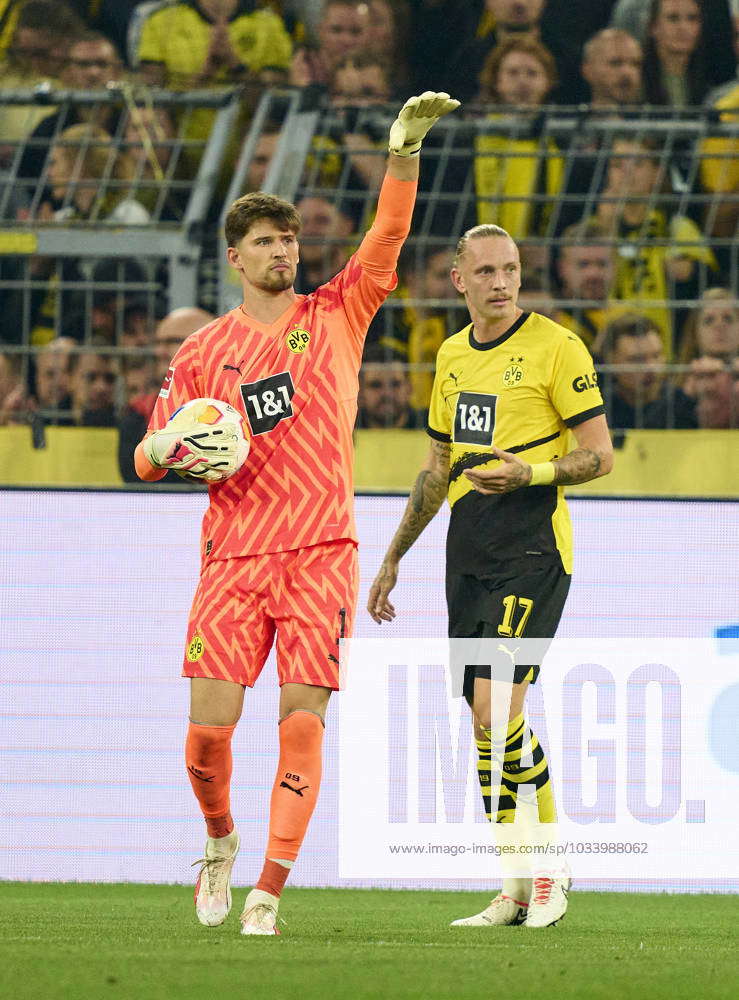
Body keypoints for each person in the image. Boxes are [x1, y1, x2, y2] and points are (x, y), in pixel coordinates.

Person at [133, 92, 459, 935]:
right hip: (233, 557)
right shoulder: (203, 352)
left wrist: (401, 155)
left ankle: (269, 893)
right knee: (209, 738)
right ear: (234, 257)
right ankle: (219, 842)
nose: (284, 251)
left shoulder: (336, 314)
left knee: (302, 724)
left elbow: (385, 239)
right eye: (267, 242)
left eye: (291, 240)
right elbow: (145, 454)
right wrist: (174, 450)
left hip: (320, 551)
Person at [367, 221, 613, 929]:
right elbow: (436, 469)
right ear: (458, 280)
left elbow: (598, 455)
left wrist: (529, 471)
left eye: (510, 268)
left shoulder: (556, 347)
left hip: (533, 544)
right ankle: (511, 885)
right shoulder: (449, 356)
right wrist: (391, 558)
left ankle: (548, 870)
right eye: (485, 272)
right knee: (483, 730)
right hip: (468, 547)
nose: (501, 282)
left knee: (493, 711)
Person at [585, 133, 718, 357]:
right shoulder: (590, 230)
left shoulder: (677, 228)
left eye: (637, 164)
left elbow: (711, 284)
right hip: (605, 351)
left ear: (657, 173)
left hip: (666, 352)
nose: (626, 173)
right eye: (617, 165)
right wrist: (605, 230)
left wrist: (691, 270)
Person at [474, 36, 562, 240]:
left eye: (532, 73)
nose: (522, 81)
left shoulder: (558, 145)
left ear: (547, 82)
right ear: (497, 81)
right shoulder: (475, 139)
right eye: (512, 73)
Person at [118, 306, 215, 483]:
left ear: (209, 345)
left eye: (171, 342)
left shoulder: (238, 405)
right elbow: (134, 479)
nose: (158, 352)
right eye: (158, 342)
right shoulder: (140, 412)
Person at [599, 312, 697, 429]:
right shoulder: (597, 410)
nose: (651, 367)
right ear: (611, 362)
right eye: (637, 359)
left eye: (656, 356)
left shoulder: (684, 406)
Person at [554, 220, 618, 355]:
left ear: (616, 266)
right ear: (562, 268)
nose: (593, 274)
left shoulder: (631, 315)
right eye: (583, 265)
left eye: (602, 264)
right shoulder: (549, 319)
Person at [289, 0, 370, 88]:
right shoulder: (303, 66)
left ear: (369, 34)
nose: (346, 40)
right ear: (320, 30)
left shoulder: (381, 72)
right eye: (336, 30)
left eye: (355, 32)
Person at [355, 342, 427, 428]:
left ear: (409, 388)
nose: (387, 393)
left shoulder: (433, 428)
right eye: (375, 385)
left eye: (395, 384)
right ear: (360, 391)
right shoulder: (346, 430)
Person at [294, 196, 355, 293]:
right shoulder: (281, 284)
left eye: (321, 221)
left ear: (345, 227)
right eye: (302, 222)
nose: (310, 230)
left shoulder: (363, 285)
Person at [580, 27, 644, 108]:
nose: (627, 72)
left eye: (635, 64)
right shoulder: (565, 119)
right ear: (587, 70)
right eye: (615, 63)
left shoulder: (657, 119)